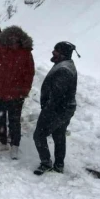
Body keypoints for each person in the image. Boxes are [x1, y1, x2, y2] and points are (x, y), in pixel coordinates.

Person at [0, 26, 35, 160]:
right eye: (10, 38)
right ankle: (2, 142)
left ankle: (15, 146)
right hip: (0, 92)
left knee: (14, 121)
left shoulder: (26, 53)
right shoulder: (1, 49)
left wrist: (24, 90)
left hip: (17, 94)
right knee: (0, 119)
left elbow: (29, 73)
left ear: (21, 39)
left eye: (16, 38)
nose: (13, 41)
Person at [33, 42, 79, 175]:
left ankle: (46, 163)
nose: (53, 52)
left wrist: (47, 111)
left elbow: (57, 96)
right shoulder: (66, 64)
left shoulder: (64, 69)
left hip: (57, 110)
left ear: (63, 54)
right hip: (65, 108)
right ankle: (59, 165)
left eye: (56, 51)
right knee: (59, 135)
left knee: (39, 135)